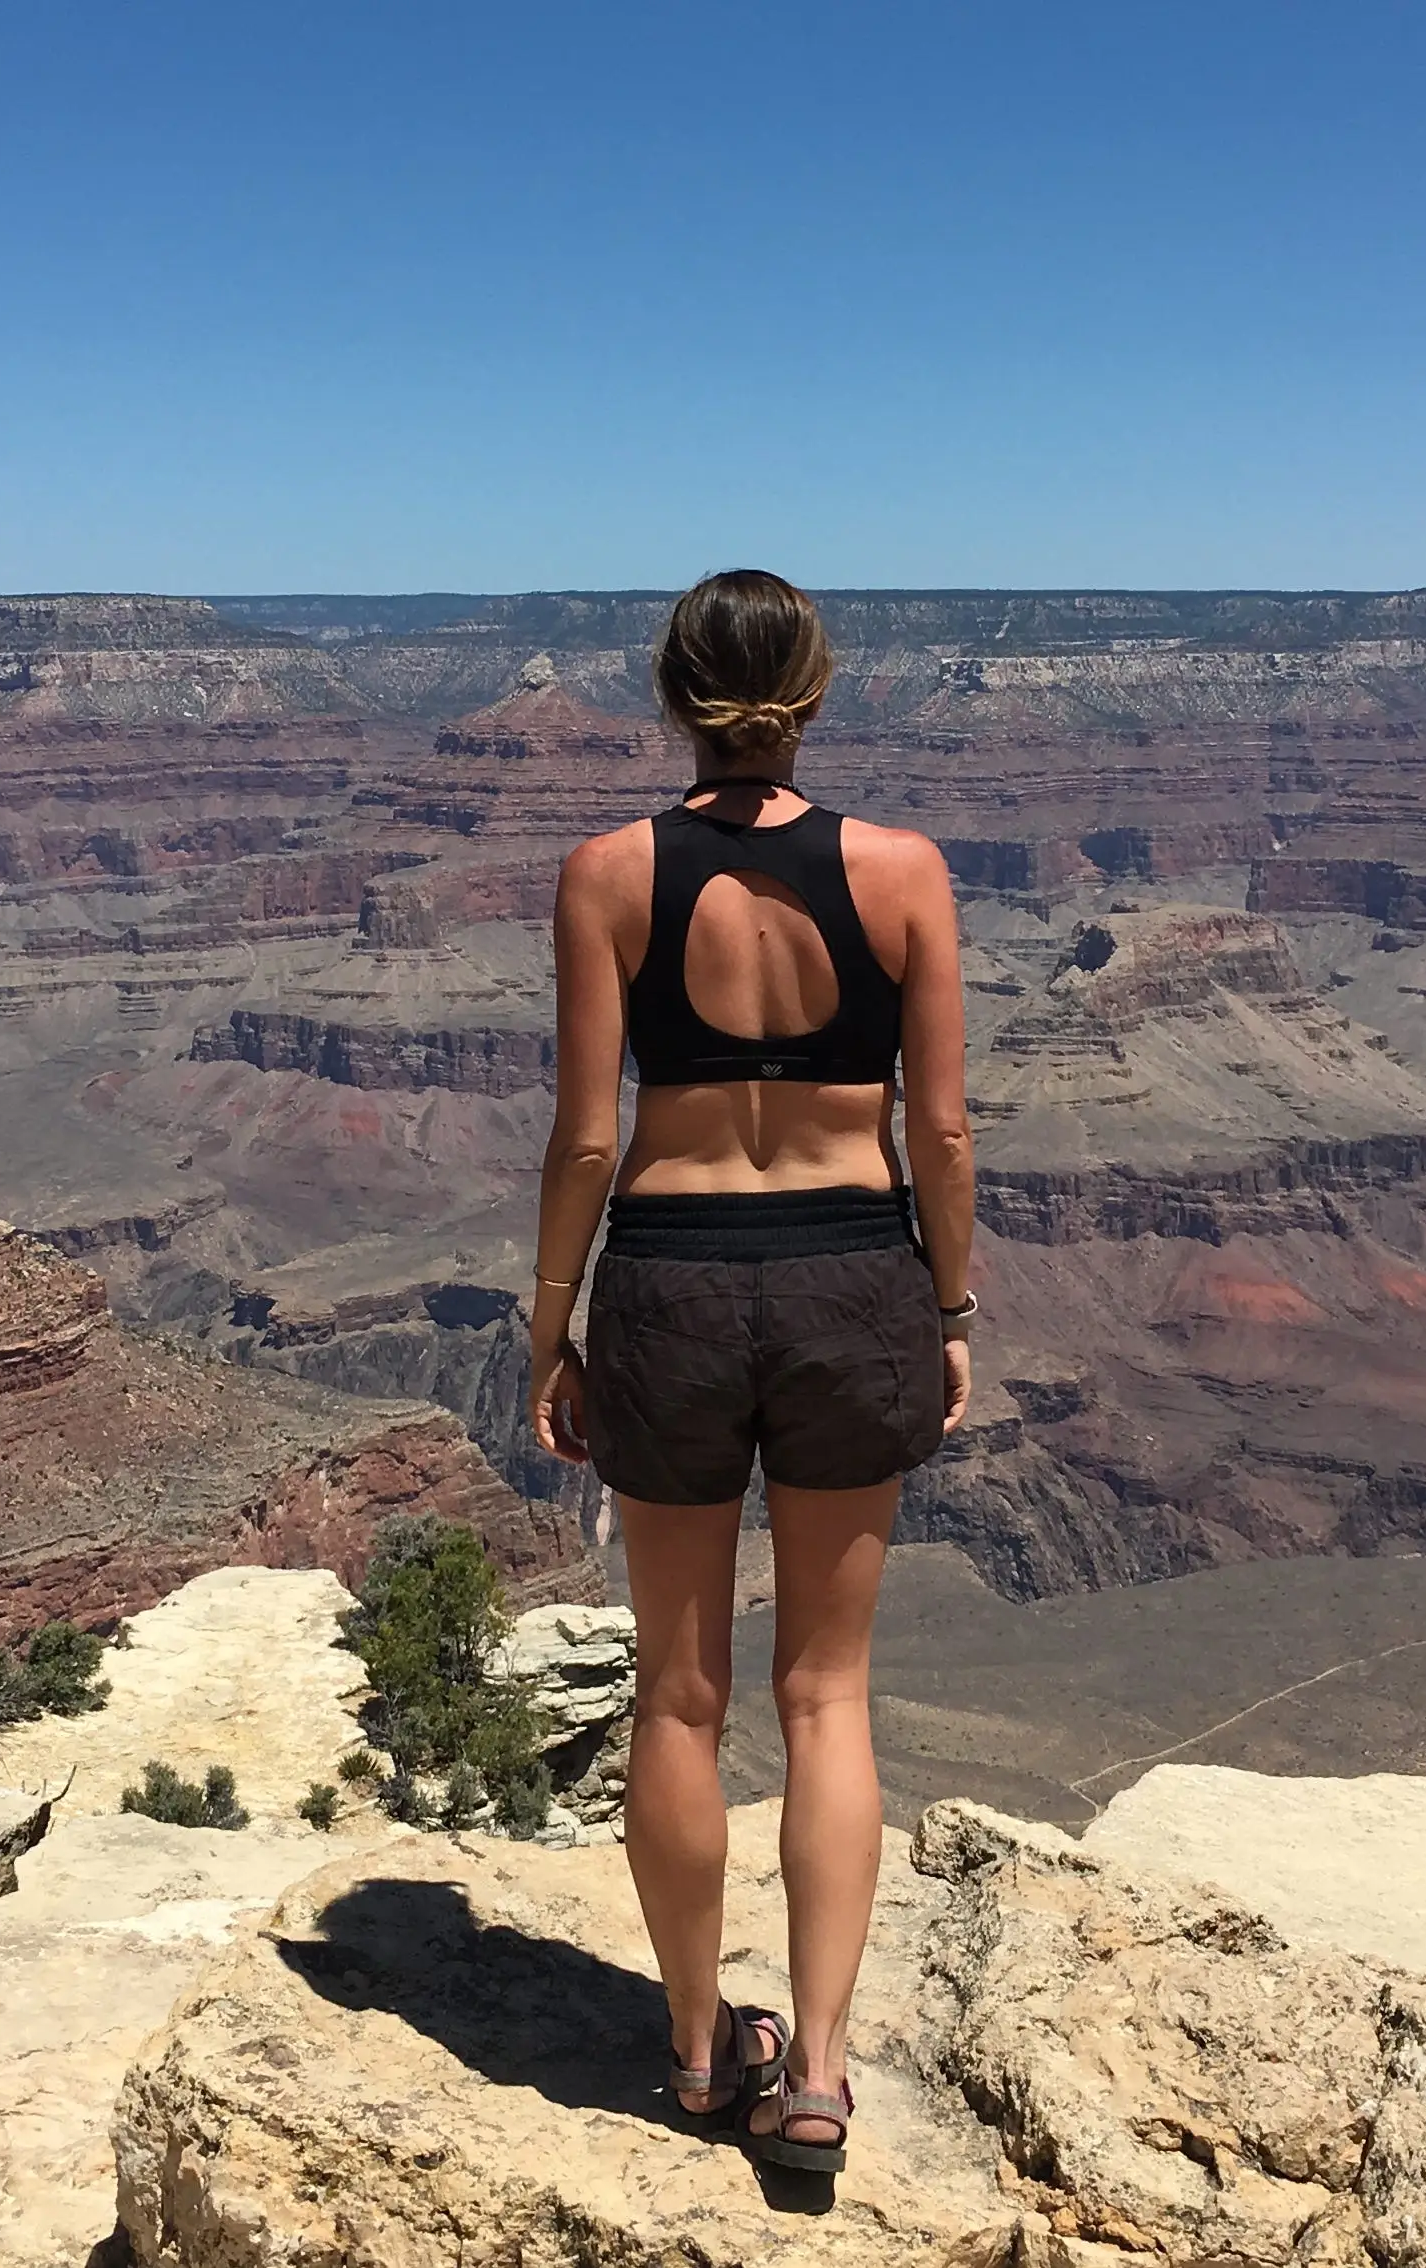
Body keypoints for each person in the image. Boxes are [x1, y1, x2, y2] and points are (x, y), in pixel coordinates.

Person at [527, 569, 976, 2172]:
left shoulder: (608, 875)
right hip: (855, 1275)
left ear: (671, 695)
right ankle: (824, 2072)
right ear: (817, 690)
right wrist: (950, 1305)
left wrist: (549, 1325)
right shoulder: (903, 870)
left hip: (674, 1283)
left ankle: (700, 2050)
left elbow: (589, 1137)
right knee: (828, 1692)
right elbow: (941, 1129)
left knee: (678, 1691)